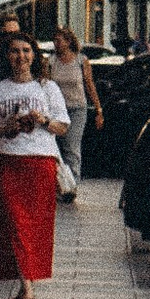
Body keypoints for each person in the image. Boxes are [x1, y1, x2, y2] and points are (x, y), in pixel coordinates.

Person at [0, 31, 69, 299]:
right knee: (13, 224)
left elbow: (62, 126)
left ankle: (25, 285)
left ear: (34, 54)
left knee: (35, 226)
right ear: (6, 56)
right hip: (8, 160)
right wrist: (7, 128)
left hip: (40, 161)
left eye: (26, 50)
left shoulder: (47, 87)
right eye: (15, 51)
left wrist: (42, 120)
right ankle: (27, 287)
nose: (21, 56)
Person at [49, 29, 100, 194]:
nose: (57, 44)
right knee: (55, 148)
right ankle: (58, 184)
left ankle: (72, 186)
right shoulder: (51, 61)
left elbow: (89, 85)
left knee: (71, 146)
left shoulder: (81, 60)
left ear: (68, 42)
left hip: (77, 109)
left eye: (59, 40)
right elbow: (46, 85)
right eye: (54, 41)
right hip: (56, 110)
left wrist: (98, 109)